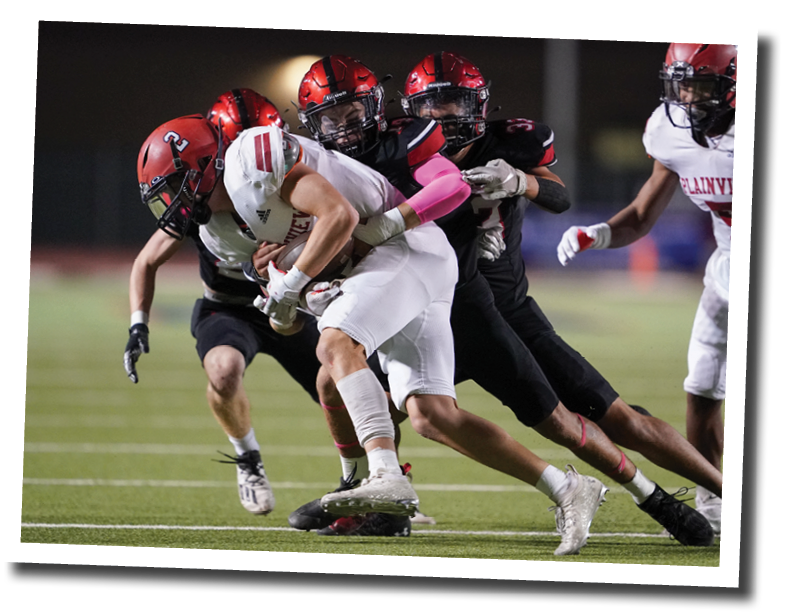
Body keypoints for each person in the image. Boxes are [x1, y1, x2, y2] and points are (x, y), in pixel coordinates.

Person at [291, 52, 717, 547]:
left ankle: (706, 495)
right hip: (428, 306)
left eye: (454, 103)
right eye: (430, 105)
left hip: (500, 310)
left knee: (606, 419)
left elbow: (557, 196)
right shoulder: (391, 148)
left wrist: (521, 182)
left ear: (479, 102)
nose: (442, 116)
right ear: (407, 110)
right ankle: (375, 495)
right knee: (339, 383)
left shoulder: (505, 141)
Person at [136, 112, 609, 555]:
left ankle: (382, 475)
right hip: (396, 267)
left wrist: (295, 280)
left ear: (200, 166)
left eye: (174, 186)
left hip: (404, 245)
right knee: (431, 414)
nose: (170, 201)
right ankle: (568, 488)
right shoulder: (221, 233)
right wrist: (282, 295)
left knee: (337, 342)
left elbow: (339, 217)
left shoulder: (252, 161)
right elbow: (289, 321)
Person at [556, 43, 736, 534]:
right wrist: (599, 235)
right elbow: (640, 215)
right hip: (727, 268)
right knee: (701, 388)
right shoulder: (669, 130)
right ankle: (715, 498)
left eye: (699, 84)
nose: (686, 96)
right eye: (680, 82)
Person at [123, 90, 325, 516]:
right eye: (233, 147)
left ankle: (383, 476)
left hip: (295, 304)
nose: (246, 158)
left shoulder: (290, 182)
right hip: (230, 307)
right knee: (223, 369)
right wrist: (137, 322)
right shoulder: (201, 199)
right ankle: (247, 457)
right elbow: (146, 260)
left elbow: (335, 231)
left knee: (350, 387)